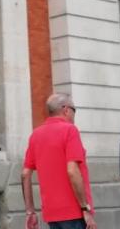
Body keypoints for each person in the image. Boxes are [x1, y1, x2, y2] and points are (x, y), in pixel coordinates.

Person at [22, 93, 96, 229]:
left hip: (51, 213)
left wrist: (30, 212)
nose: (74, 115)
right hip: (74, 212)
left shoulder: (36, 135)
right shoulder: (70, 130)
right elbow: (72, 171)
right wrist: (85, 209)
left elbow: (25, 174)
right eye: (74, 110)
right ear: (66, 110)